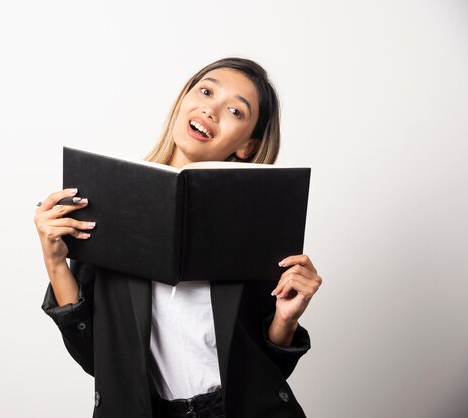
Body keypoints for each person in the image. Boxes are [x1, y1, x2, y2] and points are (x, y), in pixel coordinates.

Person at [34, 57, 322, 418]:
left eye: (235, 110)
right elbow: (94, 359)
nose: (211, 109)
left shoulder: (255, 219)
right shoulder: (112, 199)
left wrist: (286, 319)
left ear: (247, 146)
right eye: (205, 91)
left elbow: (268, 371)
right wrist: (55, 261)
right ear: (184, 99)